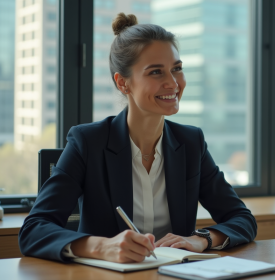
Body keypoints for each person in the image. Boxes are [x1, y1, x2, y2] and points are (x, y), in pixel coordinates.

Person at [19, 13, 257, 264]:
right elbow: (33, 230)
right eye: (156, 72)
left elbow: (242, 219)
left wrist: (201, 239)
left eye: (177, 68)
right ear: (123, 83)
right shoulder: (88, 142)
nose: (173, 83)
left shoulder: (191, 142)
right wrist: (102, 246)